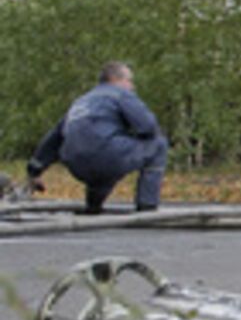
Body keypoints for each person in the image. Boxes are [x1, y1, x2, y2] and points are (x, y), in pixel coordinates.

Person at [26, 61, 169, 214]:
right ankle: (147, 206)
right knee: (158, 144)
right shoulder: (121, 94)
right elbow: (148, 126)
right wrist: (134, 136)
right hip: (107, 156)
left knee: (101, 163)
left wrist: (34, 171)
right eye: (129, 81)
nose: (132, 86)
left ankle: (93, 207)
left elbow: (53, 138)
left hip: (76, 163)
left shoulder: (81, 101)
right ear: (116, 80)